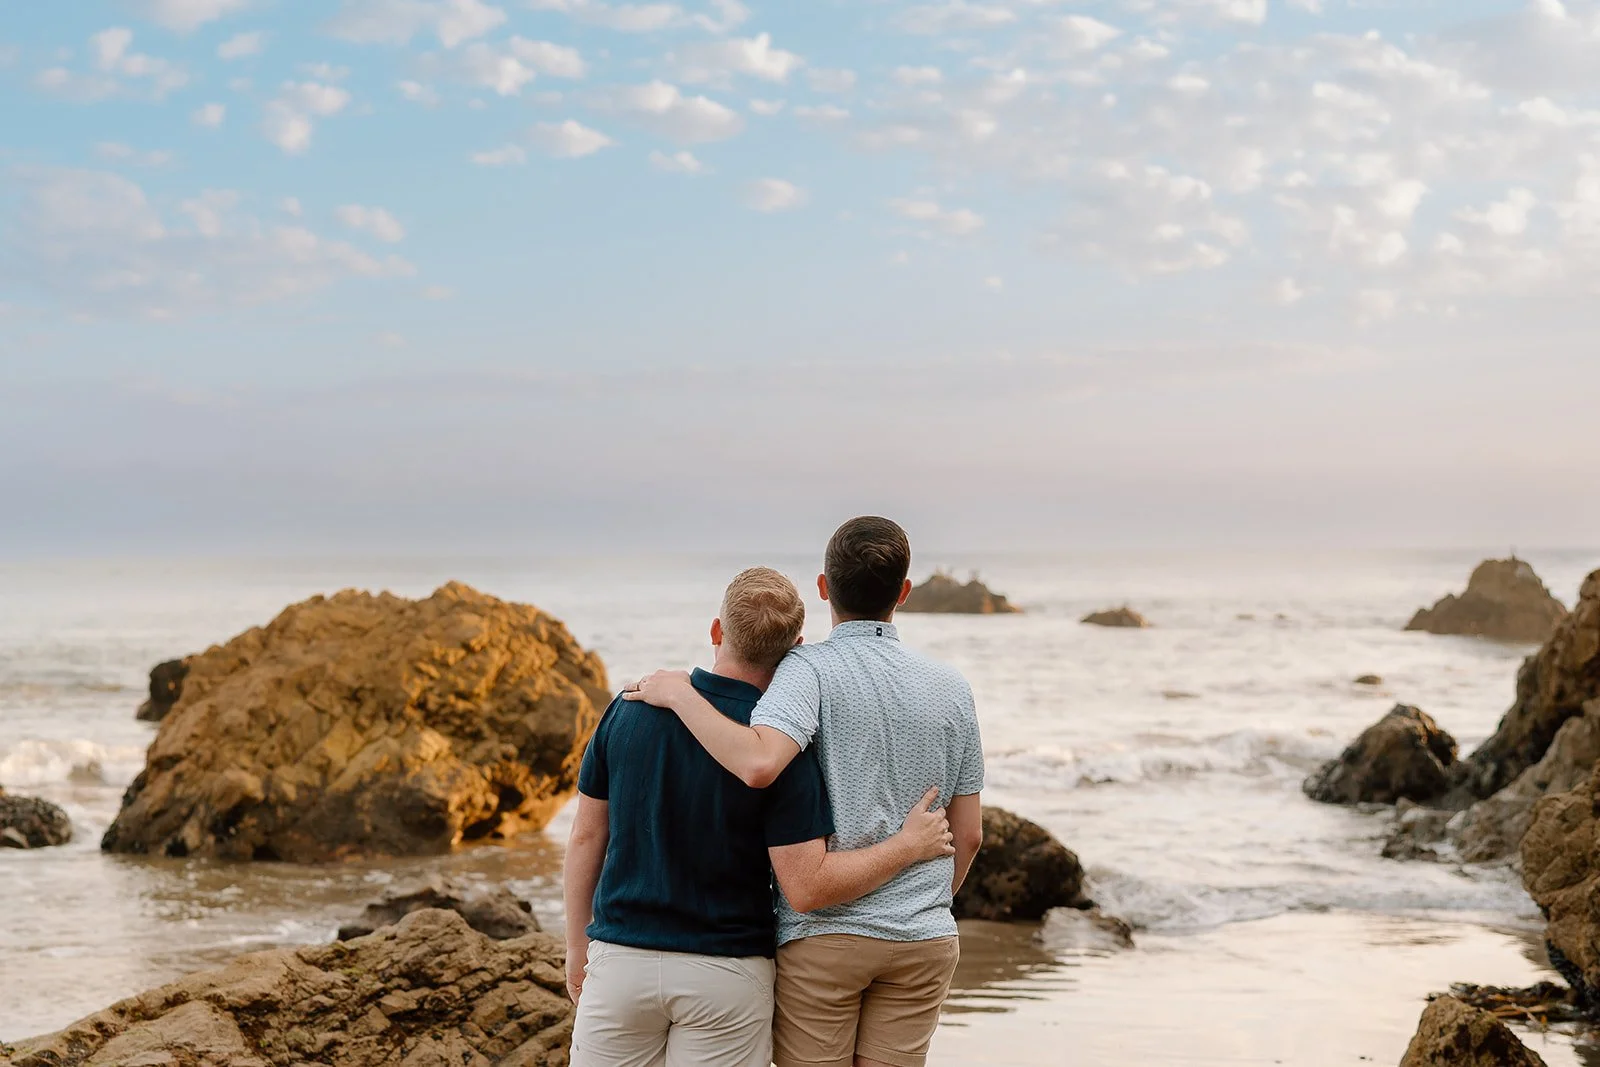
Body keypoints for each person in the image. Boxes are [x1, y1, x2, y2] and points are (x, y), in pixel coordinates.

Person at [626, 517, 985, 1067]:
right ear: (904, 593)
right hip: (925, 941)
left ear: (823, 587)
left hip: (826, 940)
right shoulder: (953, 688)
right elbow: (969, 834)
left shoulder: (808, 669)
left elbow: (761, 760)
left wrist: (681, 695)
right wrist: (924, 904)